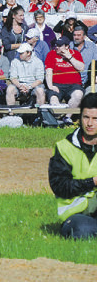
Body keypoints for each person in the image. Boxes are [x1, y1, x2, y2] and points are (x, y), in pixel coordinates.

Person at [49, 92, 97, 238]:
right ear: (80, 117)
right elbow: (60, 187)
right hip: (76, 214)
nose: (90, 124)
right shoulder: (64, 148)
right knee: (80, 230)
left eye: (95, 119)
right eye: (86, 117)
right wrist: (92, 182)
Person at [46, 37, 85, 108]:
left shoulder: (76, 53)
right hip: (57, 84)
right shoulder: (51, 54)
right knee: (53, 99)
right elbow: (49, 71)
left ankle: (67, 117)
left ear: (67, 46)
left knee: (78, 95)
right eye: (56, 45)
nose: (57, 47)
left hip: (74, 85)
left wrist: (70, 57)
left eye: (60, 46)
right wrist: (50, 86)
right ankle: (56, 117)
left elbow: (81, 68)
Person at [6, 42, 46, 106]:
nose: (20, 55)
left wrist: (29, 87)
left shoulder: (38, 62)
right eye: (19, 53)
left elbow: (40, 79)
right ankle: (11, 114)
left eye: (22, 53)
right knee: (10, 89)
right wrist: (20, 86)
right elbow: (13, 77)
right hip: (19, 85)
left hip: (33, 85)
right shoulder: (15, 61)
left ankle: (40, 113)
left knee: (40, 91)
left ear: (28, 53)